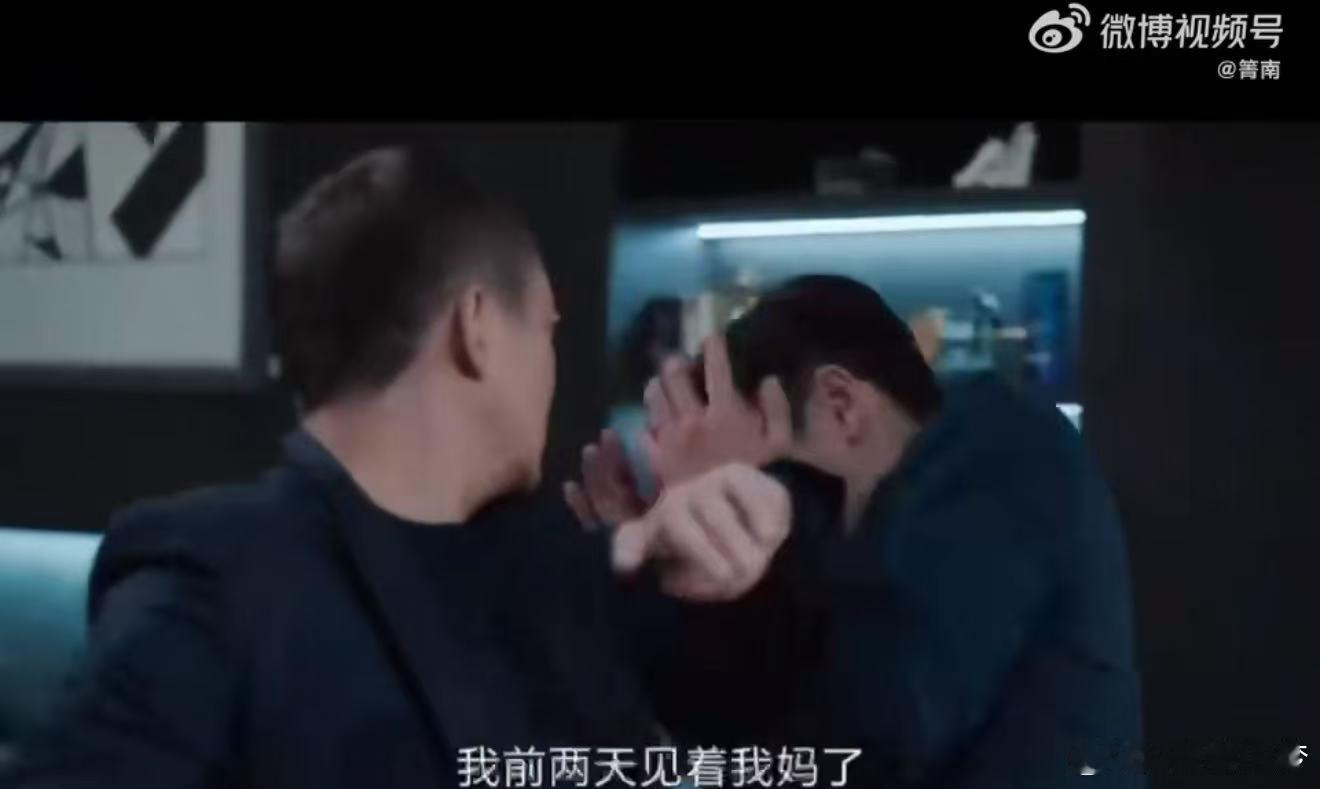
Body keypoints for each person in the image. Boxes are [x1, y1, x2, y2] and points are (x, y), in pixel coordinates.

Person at [0, 147, 799, 789]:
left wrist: (716, 553)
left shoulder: (553, 565)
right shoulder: (213, 580)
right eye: (546, 330)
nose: (552, 370)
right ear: (476, 328)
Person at [575, 274, 1145, 788]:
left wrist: (741, 523)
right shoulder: (854, 528)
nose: (756, 507)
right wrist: (661, 579)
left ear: (841, 403)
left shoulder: (994, 447)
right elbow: (749, 734)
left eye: (761, 476)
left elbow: (882, 734)